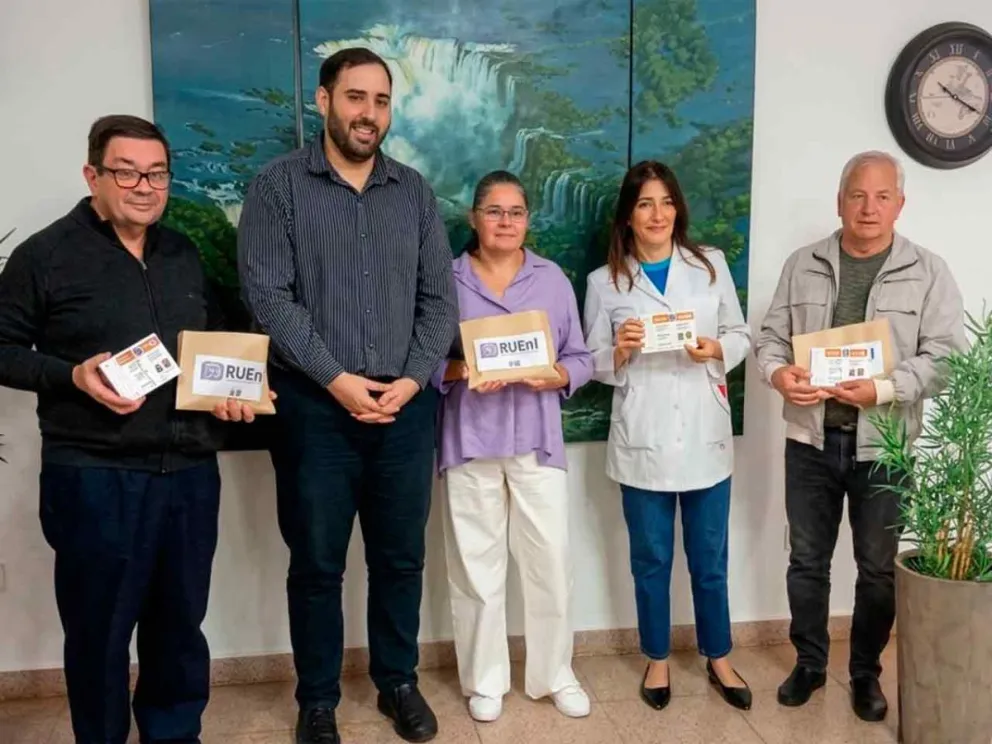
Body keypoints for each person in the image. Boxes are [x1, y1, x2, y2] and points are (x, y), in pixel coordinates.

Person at [0, 115, 266, 744]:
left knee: (179, 628)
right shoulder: (45, 255)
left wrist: (234, 395)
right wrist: (70, 375)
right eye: (127, 171)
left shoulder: (183, 253)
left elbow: (220, 345)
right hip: (95, 477)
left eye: (157, 173)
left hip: (190, 476)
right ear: (93, 174)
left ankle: (175, 736)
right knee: (99, 634)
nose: (144, 186)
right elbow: (2, 348)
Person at [237, 47, 458, 744]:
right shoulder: (277, 188)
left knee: (400, 560)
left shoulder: (414, 193)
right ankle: (319, 701)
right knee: (318, 565)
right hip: (314, 414)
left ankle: (398, 682)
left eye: (382, 100)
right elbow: (269, 297)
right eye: (356, 97)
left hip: (404, 411)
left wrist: (410, 381)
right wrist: (336, 379)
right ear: (324, 101)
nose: (370, 113)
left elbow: (439, 301)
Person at [754, 150, 965, 722]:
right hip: (810, 442)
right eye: (857, 195)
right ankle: (810, 664)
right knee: (807, 562)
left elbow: (948, 358)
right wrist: (779, 374)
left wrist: (887, 388)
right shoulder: (803, 264)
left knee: (876, 569)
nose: (868, 208)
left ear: (900, 204)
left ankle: (866, 674)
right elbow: (771, 338)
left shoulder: (928, 271)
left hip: (886, 447)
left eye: (881, 196)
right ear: (839, 200)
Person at [583, 161, 753, 712]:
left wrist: (717, 349)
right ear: (628, 217)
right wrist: (621, 352)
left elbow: (741, 332)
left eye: (666, 202)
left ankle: (720, 655)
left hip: (704, 433)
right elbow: (591, 360)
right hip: (643, 440)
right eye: (644, 204)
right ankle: (656, 658)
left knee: (710, 558)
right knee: (650, 559)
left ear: (678, 208)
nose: (657, 214)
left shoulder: (709, 267)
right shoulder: (603, 282)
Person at [433, 171, 594, 723]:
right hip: (470, 439)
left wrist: (558, 377)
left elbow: (582, 355)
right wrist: (460, 367)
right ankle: (485, 680)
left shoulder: (551, 280)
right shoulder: (446, 279)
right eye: (495, 211)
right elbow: (422, 358)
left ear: (528, 219)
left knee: (550, 561)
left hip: (536, 440)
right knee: (476, 568)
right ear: (474, 218)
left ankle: (555, 674)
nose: (506, 222)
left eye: (517, 212)